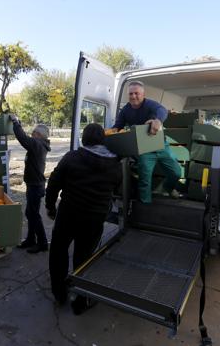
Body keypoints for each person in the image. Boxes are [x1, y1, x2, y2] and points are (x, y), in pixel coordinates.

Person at [45, 123, 122, 314]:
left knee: (58, 252)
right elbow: (118, 191)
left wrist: (50, 206)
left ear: (84, 139)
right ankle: (80, 301)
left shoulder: (72, 157)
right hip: (94, 218)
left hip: (68, 214)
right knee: (84, 257)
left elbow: (54, 182)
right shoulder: (116, 166)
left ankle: (60, 294)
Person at [112, 80, 181, 203]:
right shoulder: (125, 110)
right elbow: (118, 126)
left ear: (143, 94)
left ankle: (168, 187)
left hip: (160, 145)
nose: (133, 96)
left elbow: (162, 110)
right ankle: (145, 207)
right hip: (143, 150)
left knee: (176, 172)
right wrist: (108, 133)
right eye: (131, 94)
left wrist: (158, 121)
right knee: (145, 181)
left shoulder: (150, 104)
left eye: (136, 93)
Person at [9, 114, 51, 254]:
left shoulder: (37, 144)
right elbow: (26, 138)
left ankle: (42, 243)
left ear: (38, 134)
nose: (31, 134)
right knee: (30, 213)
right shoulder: (39, 144)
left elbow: (23, 138)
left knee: (33, 214)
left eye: (33, 132)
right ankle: (31, 239)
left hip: (35, 185)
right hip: (33, 184)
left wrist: (16, 122)